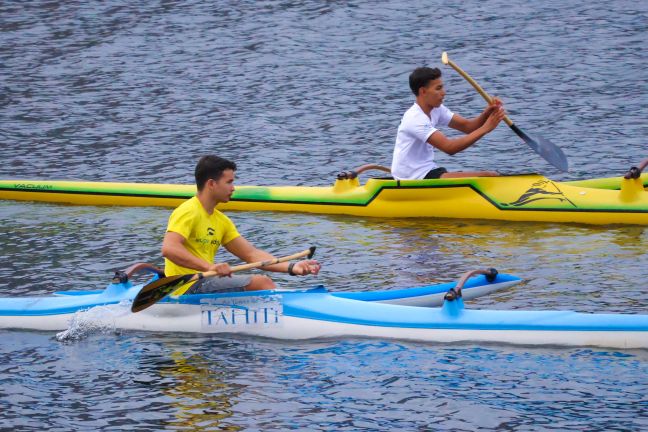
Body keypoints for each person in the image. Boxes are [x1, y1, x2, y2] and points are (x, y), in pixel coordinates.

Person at [161, 155, 321, 296]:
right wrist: (210, 267)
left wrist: (292, 267)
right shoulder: (188, 211)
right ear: (211, 184)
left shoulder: (221, 221)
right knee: (262, 283)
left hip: (206, 280)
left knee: (263, 283)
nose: (233, 188)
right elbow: (169, 249)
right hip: (185, 286)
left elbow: (252, 254)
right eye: (229, 182)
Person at [391, 66, 506, 180]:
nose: (443, 93)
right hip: (412, 178)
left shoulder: (436, 109)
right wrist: (486, 128)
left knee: (488, 175)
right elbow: (450, 148)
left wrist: (487, 113)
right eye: (438, 88)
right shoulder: (414, 119)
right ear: (423, 91)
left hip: (427, 171)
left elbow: (468, 127)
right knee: (488, 176)